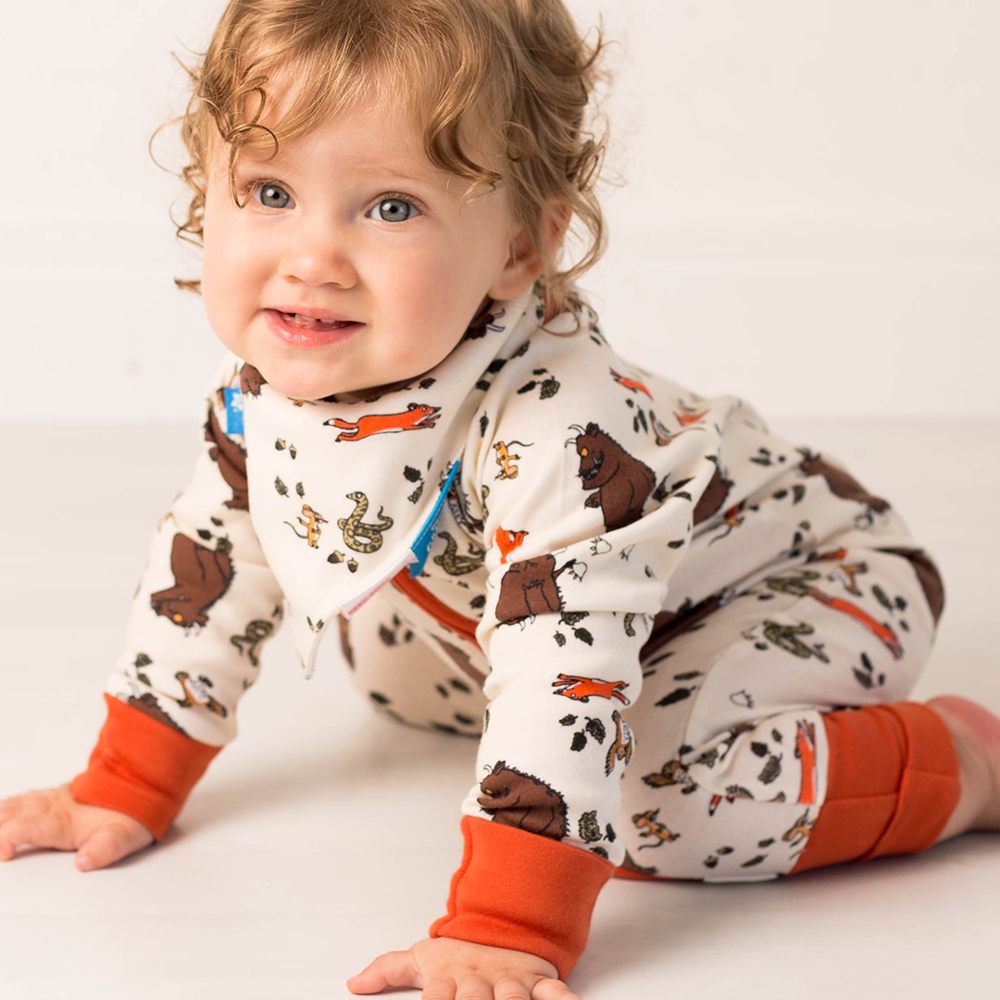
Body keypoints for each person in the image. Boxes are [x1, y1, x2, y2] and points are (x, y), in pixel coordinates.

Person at [1, 1, 998, 997]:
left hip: (814, 577)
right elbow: (217, 560)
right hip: (569, 600)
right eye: (268, 189)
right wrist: (126, 780)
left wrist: (509, 919)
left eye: (390, 207)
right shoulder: (267, 385)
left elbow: (568, 664)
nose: (313, 257)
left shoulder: (563, 427)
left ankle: (962, 760)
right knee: (387, 662)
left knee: (658, 808)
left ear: (522, 249)